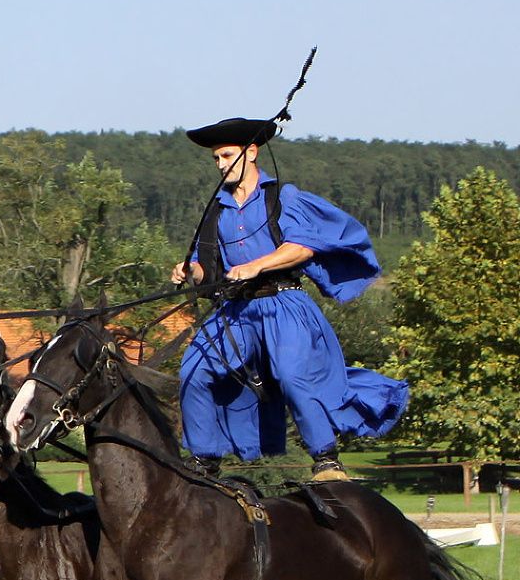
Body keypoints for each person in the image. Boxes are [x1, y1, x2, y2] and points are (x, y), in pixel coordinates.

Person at [170, 117, 409, 481]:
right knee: (193, 372)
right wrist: (190, 270)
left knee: (293, 376)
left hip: (284, 305)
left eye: (227, 156)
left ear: (251, 153)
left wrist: (256, 266)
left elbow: (301, 249)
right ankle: (204, 459)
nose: (220, 164)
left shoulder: (282, 196)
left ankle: (326, 459)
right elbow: (210, 272)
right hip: (234, 310)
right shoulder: (216, 210)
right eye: (216, 158)